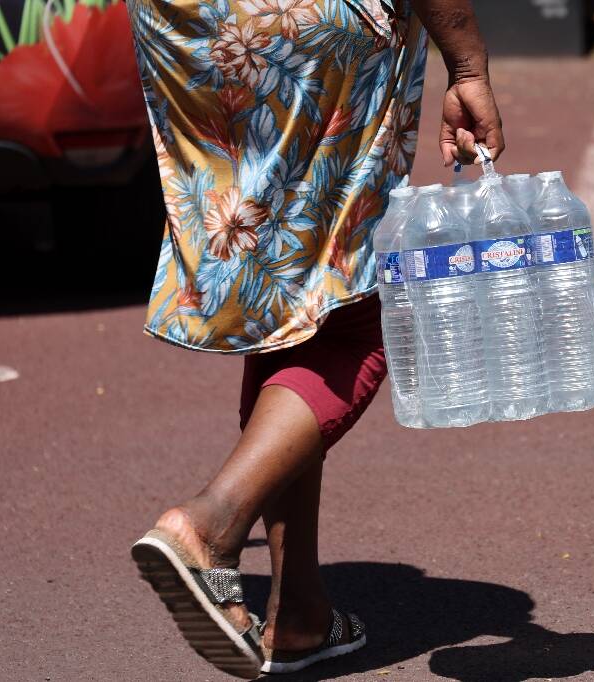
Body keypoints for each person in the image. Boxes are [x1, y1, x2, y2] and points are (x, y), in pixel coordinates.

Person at [125, 0, 504, 676]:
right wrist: (468, 66)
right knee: (359, 315)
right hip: (308, 21)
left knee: (292, 290)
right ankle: (210, 526)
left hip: (187, 26)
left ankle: (298, 610)